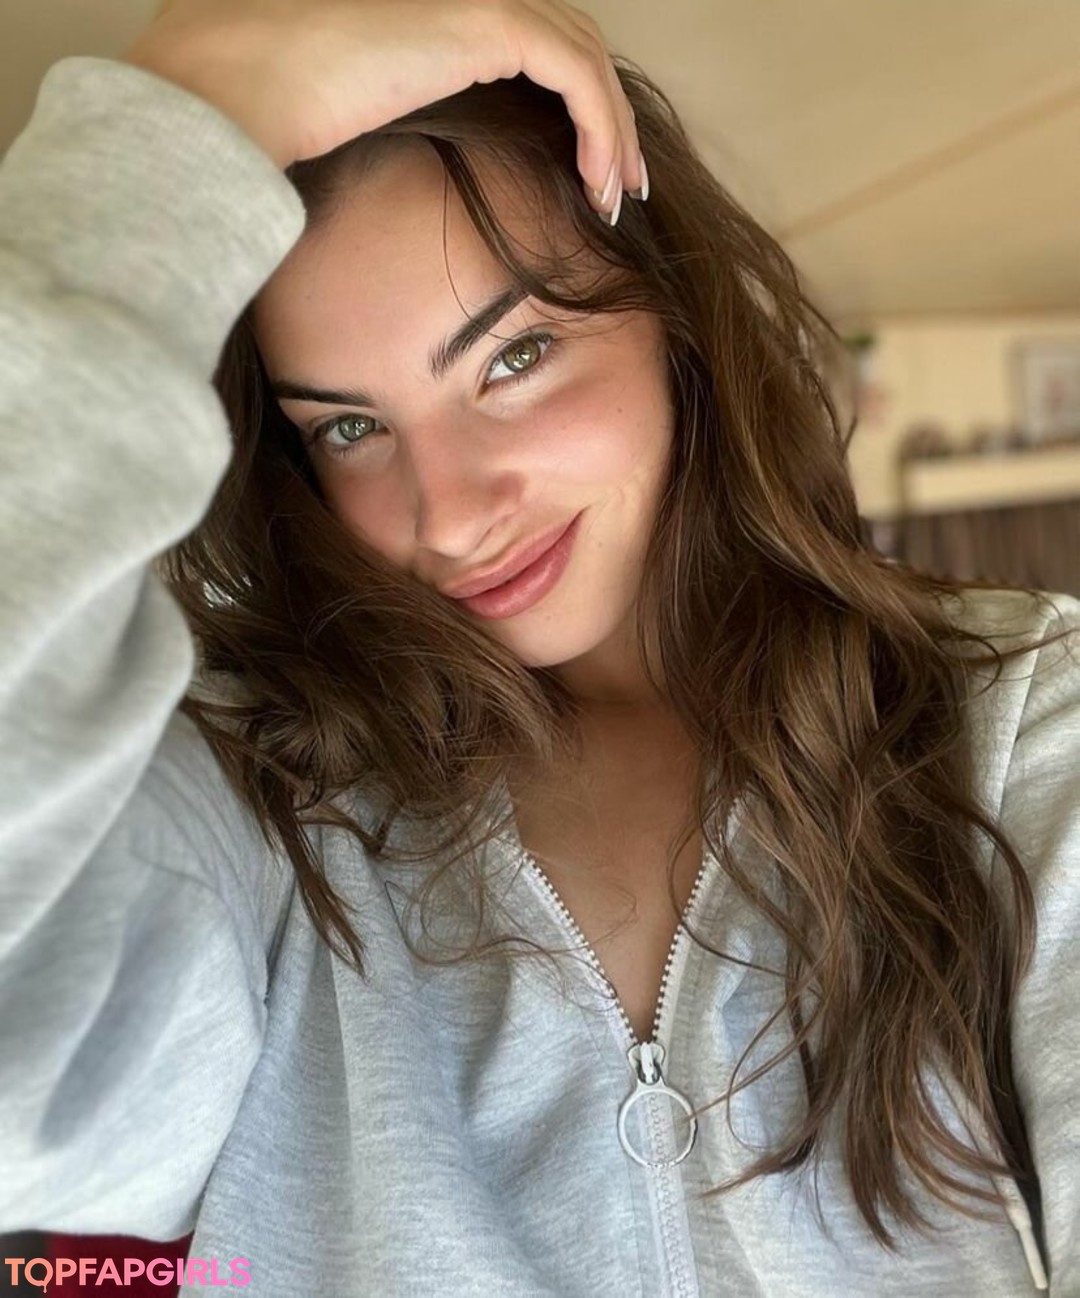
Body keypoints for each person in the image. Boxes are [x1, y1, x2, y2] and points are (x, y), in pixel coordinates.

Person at [0, 1, 1077, 1293]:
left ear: (676, 322)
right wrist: (177, 116)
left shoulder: (1020, 733)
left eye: (514, 356)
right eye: (350, 428)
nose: (450, 514)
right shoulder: (255, 825)